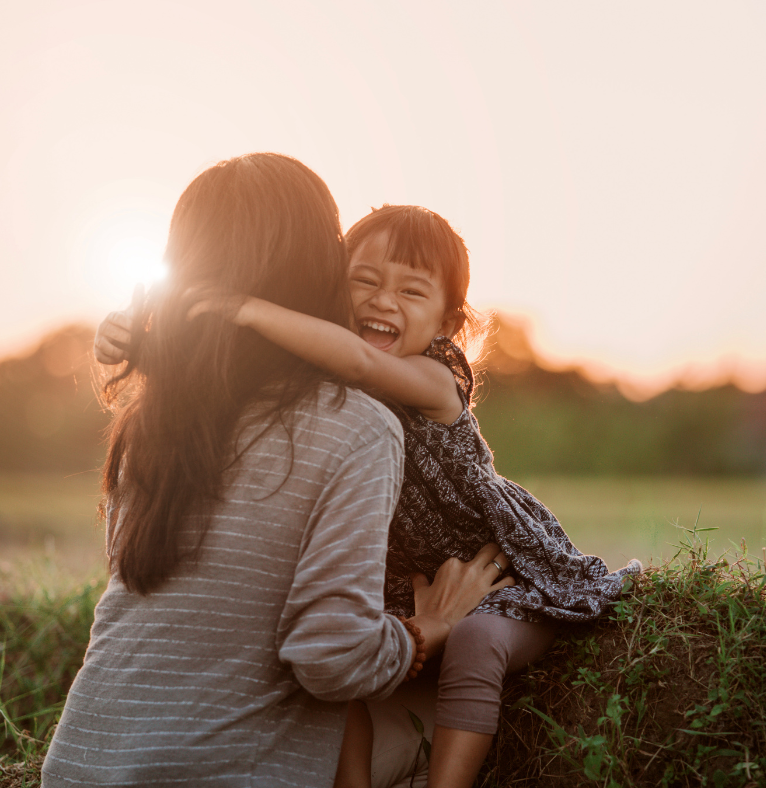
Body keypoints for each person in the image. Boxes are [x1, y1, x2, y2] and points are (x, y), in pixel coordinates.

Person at [99, 204, 642, 788]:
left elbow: (356, 359)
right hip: (399, 588)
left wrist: (246, 308)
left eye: (412, 290)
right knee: (335, 667)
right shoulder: (321, 368)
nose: (384, 301)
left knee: (478, 643)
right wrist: (140, 341)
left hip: (498, 575)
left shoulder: (435, 380)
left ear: (447, 325)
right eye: (365, 280)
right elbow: (236, 373)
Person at [42, 155, 514, 788]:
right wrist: (432, 625)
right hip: (218, 774)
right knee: (418, 723)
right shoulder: (355, 425)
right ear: (321, 268)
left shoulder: (153, 419)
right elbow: (330, 659)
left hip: (79, 765)